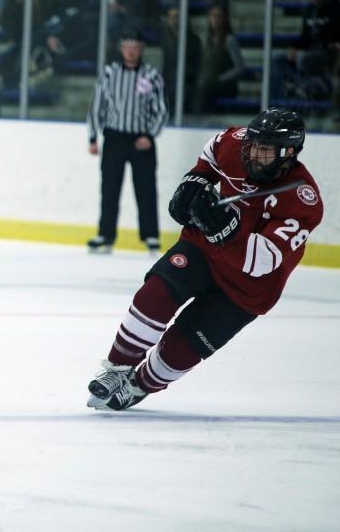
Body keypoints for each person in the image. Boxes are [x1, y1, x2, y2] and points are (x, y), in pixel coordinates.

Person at [86, 108, 323, 411]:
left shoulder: (303, 200)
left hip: (245, 290)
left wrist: (226, 232)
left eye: (265, 150)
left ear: (288, 153)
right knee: (155, 294)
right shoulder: (235, 142)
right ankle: (116, 369)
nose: (253, 154)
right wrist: (195, 180)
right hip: (203, 249)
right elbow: (211, 155)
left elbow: (261, 262)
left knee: (179, 351)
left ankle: (139, 385)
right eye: (253, 145)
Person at [87, 29, 167, 255]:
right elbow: (97, 106)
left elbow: (161, 110)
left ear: (141, 49)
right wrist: (93, 137)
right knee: (109, 187)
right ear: (121, 48)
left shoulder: (151, 75)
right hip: (114, 137)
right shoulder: (110, 73)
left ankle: (151, 235)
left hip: (141, 140)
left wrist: (149, 135)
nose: (131, 50)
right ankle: (106, 234)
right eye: (127, 45)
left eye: (135, 46)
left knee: (146, 189)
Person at [270, 0, 340, 100]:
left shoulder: (336, 9)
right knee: (277, 60)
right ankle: (280, 101)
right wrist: (294, 48)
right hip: (309, 52)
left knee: (302, 58)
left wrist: (302, 51)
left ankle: (304, 88)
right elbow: (304, 37)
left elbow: (334, 39)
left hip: (329, 53)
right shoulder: (309, 10)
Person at [197, 5, 245, 111]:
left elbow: (240, 68)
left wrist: (220, 78)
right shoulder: (205, 41)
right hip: (208, 83)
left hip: (224, 84)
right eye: (213, 16)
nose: (215, 19)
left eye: (219, 16)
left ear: (224, 19)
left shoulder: (229, 40)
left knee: (203, 89)